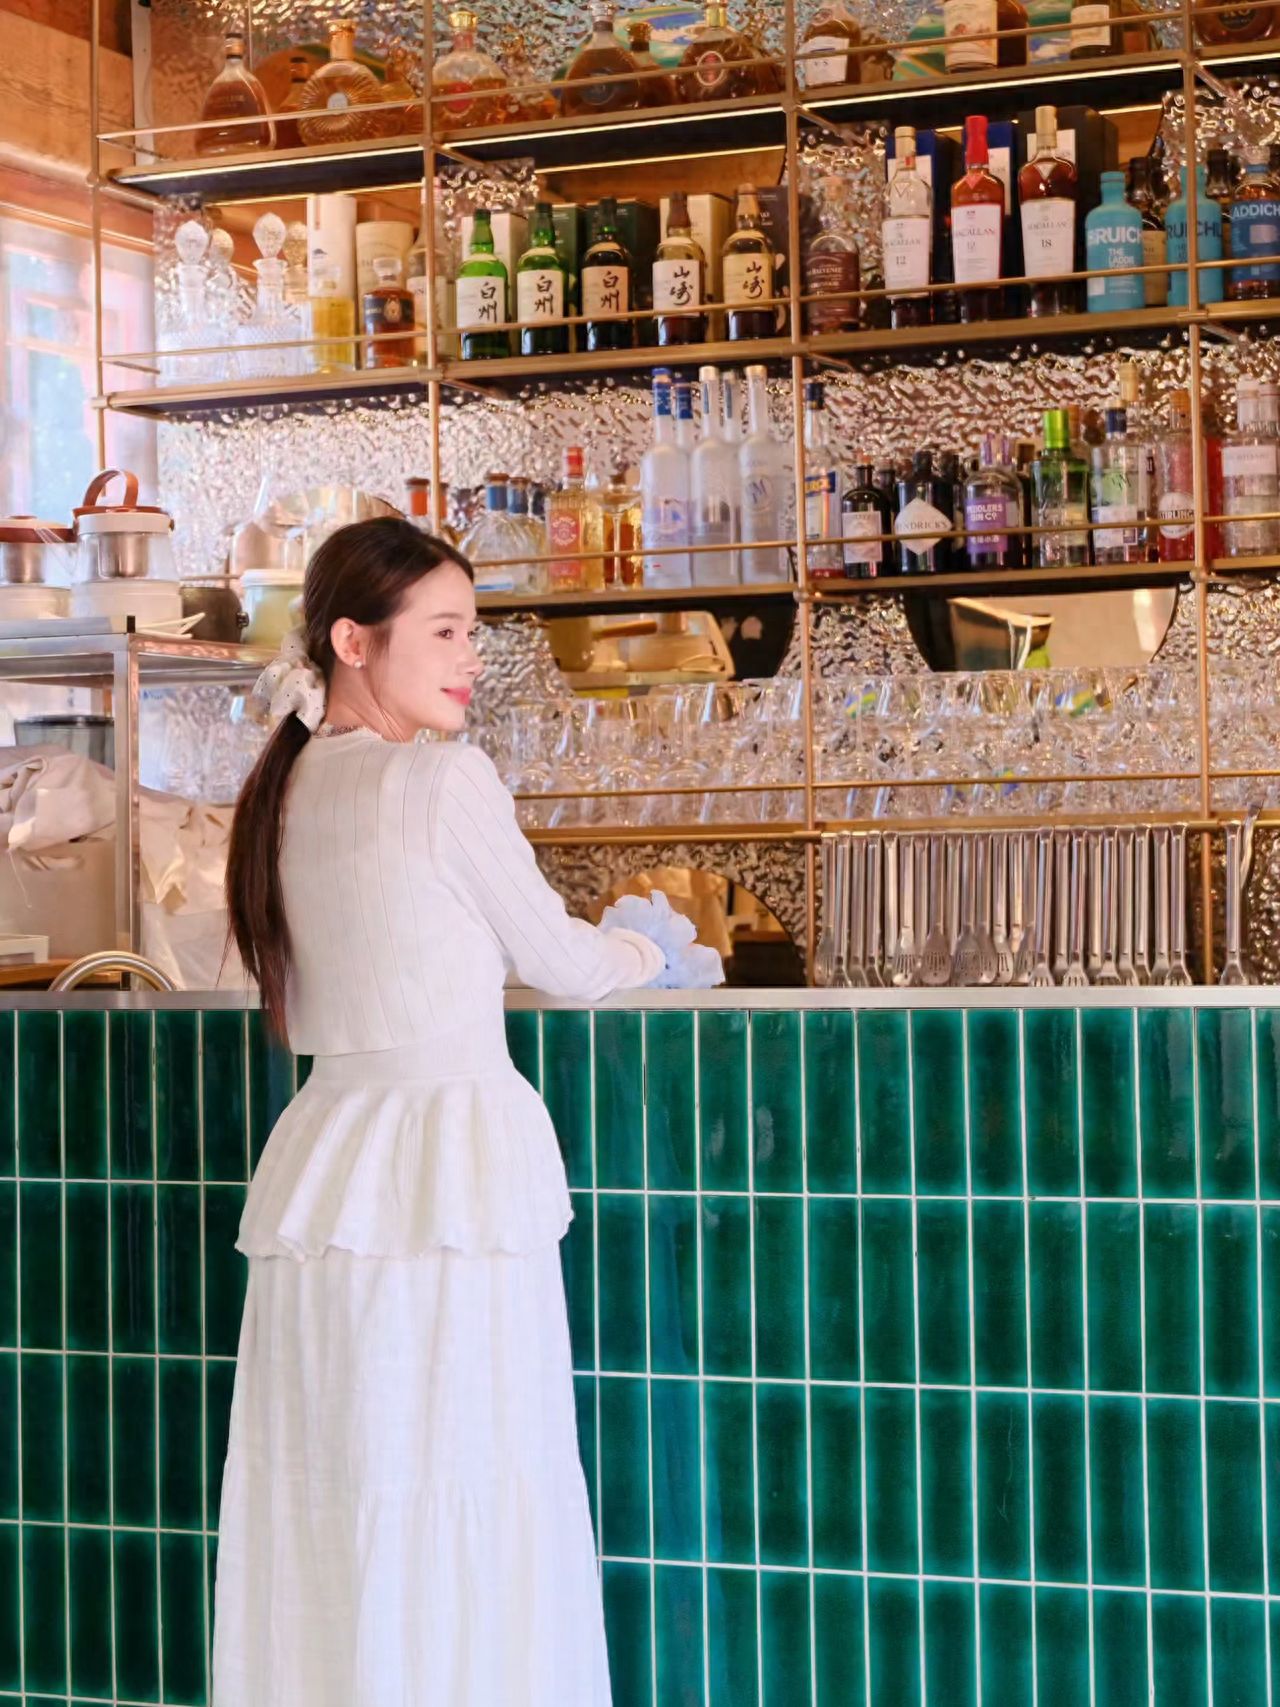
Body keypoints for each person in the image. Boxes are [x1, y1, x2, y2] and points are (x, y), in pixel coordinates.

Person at [216, 516, 722, 1706]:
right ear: (353, 640)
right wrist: (649, 953)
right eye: (443, 631)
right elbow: (554, 955)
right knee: (472, 1479)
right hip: (445, 1169)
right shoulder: (439, 777)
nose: (469, 656)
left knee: (340, 1494)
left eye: (474, 632)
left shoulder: (286, 790)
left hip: (331, 1169)